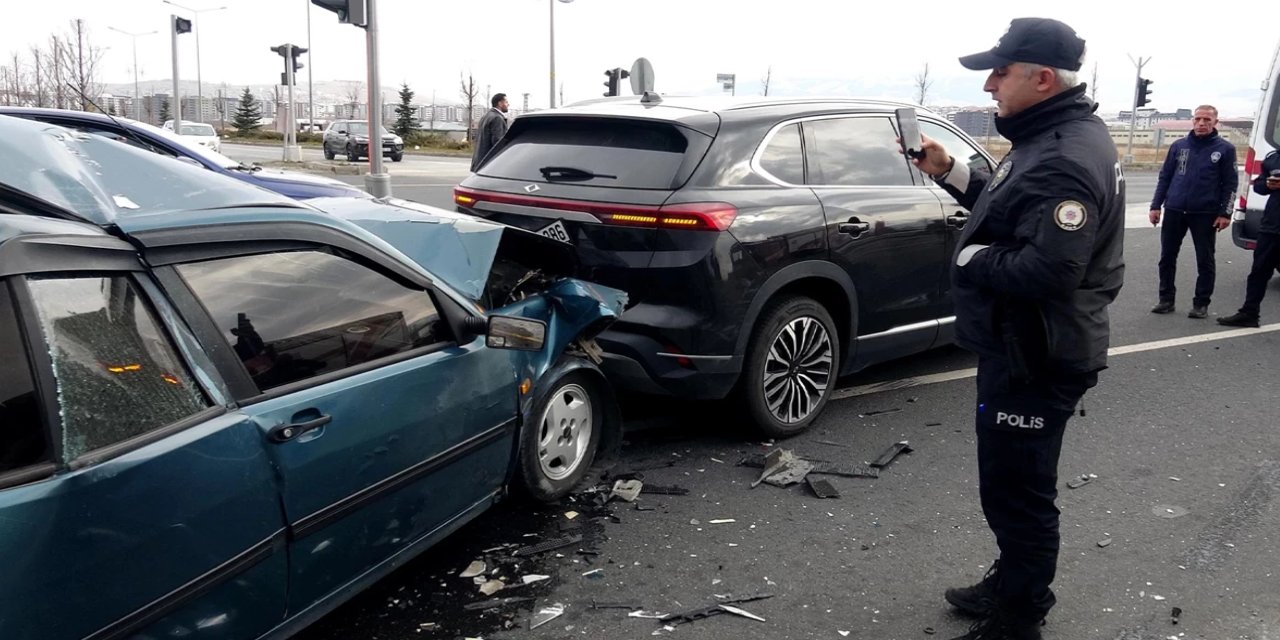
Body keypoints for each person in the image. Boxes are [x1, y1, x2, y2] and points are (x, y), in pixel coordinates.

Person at [907, 17, 1125, 640]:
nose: (989, 86)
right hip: (1024, 342)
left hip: (1036, 351)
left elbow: (1051, 269)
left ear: (1043, 78)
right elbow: (1013, 210)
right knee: (1010, 485)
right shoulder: (1054, 135)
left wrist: (970, 259)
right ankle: (1011, 584)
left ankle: (1019, 617)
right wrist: (949, 170)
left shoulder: (1060, 155)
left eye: (1000, 74)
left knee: (1018, 494)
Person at [1148, 106, 1238, 318]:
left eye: (1207, 119)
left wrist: (1225, 213)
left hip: (1205, 213)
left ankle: (1201, 303)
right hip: (1175, 209)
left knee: (1204, 260)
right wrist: (1155, 206)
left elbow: (1230, 184)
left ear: (1215, 122)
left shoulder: (1225, 149)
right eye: (1198, 119)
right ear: (1193, 121)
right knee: (1167, 257)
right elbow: (1165, 177)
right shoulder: (1179, 146)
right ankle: (1166, 299)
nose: (1201, 123)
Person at [1217, 150, 1280, 327]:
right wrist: (1267, 184)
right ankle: (1249, 313)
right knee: (1259, 271)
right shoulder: (1274, 158)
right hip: (1272, 226)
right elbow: (1259, 186)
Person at [470, 93, 509, 172]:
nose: (508, 104)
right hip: (489, 164)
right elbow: (498, 143)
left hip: (479, 161)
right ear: (500, 103)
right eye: (506, 102)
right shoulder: (497, 118)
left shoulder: (486, 116)